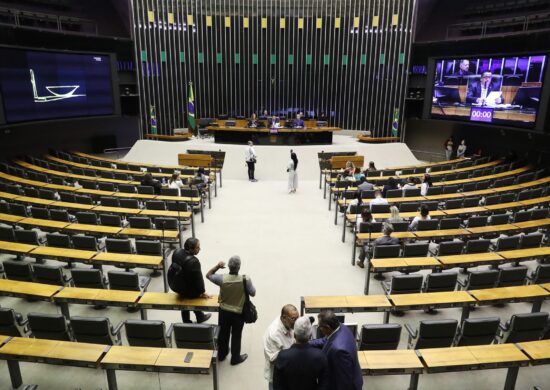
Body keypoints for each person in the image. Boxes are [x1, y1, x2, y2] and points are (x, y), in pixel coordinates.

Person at [206, 256, 256, 365]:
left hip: (224, 311)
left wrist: (218, 266)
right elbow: (253, 293)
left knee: (223, 333)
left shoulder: (222, 279)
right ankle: (235, 358)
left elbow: (208, 275)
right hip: (238, 312)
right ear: (239, 267)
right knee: (236, 335)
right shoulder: (245, 279)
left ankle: (222, 354)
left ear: (228, 266)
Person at [309, 310, 363, 390]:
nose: (319, 329)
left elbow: (343, 383)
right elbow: (326, 340)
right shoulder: (341, 327)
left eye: (320, 326)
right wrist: (308, 343)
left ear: (327, 327)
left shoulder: (339, 351)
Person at [273, 316, 329, 390]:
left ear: (294, 335)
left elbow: (277, 386)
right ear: (310, 336)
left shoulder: (282, 356)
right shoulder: (320, 356)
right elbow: (324, 385)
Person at [171, 238, 212, 324]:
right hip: (187, 291)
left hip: (176, 286)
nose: (199, 249)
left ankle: (186, 321)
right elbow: (199, 281)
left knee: (185, 295)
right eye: (197, 247)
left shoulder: (177, 252)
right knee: (194, 293)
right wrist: (202, 292)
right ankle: (200, 316)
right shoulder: (194, 262)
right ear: (190, 249)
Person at [264, 304, 300, 390]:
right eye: (293, 319)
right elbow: (274, 360)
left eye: (297, 318)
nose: (296, 321)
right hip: (277, 376)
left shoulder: (287, 322)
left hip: (288, 372)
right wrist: (294, 351)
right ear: (284, 318)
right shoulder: (274, 334)